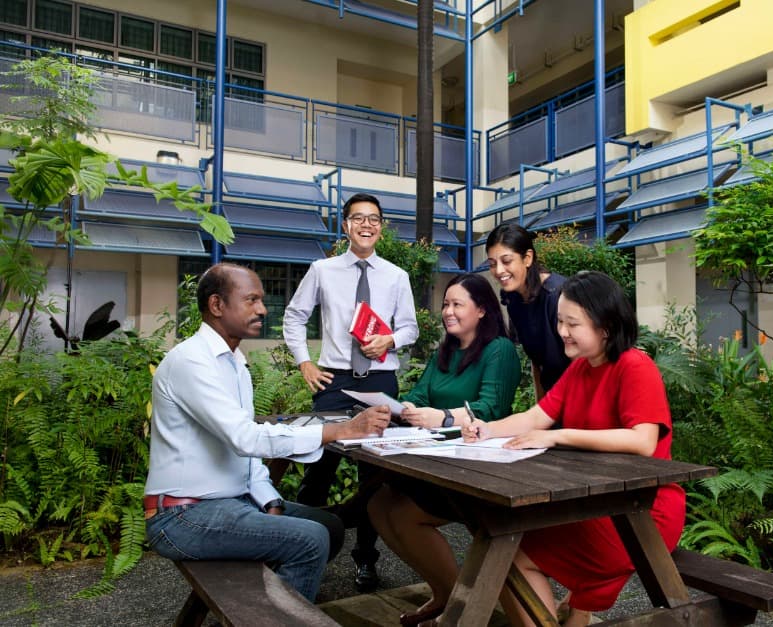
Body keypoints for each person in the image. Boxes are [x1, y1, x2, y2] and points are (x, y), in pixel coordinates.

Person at [144, 263, 391, 603]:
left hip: (232, 502)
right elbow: (246, 439)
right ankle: (272, 613)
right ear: (217, 305)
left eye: (261, 300)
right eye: (252, 300)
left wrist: (270, 500)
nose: (262, 308)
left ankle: (263, 606)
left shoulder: (234, 363)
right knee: (309, 539)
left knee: (330, 528)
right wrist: (339, 430)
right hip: (183, 515)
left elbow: (245, 458)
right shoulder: (191, 362)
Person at [462, 271, 685, 627]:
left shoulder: (634, 366)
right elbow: (538, 416)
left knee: (507, 552)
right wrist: (487, 430)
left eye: (572, 323)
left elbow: (643, 441)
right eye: (560, 321)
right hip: (597, 502)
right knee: (502, 543)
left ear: (606, 327)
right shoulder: (581, 366)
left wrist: (559, 435)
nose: (562, 331)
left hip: (641, 513)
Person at [283, 192, 418, 592]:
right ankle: (300, 554)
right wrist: (304, 362)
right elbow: (294, 317)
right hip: (335, 381)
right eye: (358, 218)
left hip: (379, 381)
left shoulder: (396, 276)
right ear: (345, 225)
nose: (366, 225)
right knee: (318, 468)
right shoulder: (322, 270)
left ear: (381, 227)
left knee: (374, 477)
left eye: (373, 219)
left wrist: (389, 341)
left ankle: (366, 561)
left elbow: (410, 327)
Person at [368, 273, 521, 626]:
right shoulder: (446, 349)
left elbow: (493, 408)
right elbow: (421, 394)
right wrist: (403, 407)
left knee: (406, 513)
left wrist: (443, 417)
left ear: (482, 310)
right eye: (446, 304)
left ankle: (459, 605)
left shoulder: (499, 349)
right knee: (379, 504)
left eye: (457, 304)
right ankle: (447, 595)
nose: (448, 312)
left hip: (479, 464)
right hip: (437, 459)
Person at [485, 223, 570, 399]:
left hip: (580, 400)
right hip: (552, 400)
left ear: (527, 258)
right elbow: (536, 361)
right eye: (492, 264)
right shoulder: (514, 298)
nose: (499, 271)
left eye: (507, 261)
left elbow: (585, 360)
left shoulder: (558, 295)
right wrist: (540, 408)